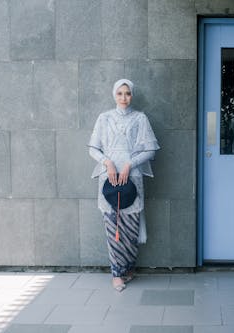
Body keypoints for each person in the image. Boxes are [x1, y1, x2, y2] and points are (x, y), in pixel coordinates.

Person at [88, 79, 160, 292]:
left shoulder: (140, 119)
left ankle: (128, 268)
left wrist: (130, 164)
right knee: (112, 226)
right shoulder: (104, 118)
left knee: (130, 227)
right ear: (114, 95)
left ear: (132, 95)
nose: (123, 98)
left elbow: (150, 150)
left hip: (132, 179)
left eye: (127, 93)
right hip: (109, 180)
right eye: (119, 93)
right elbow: (93, 148)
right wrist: (107, 162)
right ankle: (116, 273)